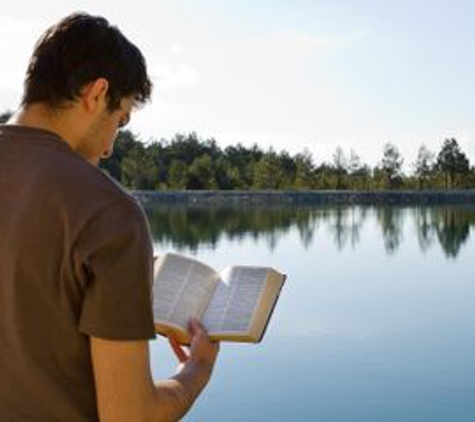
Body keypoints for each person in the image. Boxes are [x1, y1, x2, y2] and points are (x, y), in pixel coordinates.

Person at [0, 12, 219, 421]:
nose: (108, 150)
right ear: (97, 93)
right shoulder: (109, 213)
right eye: (120, 121)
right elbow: (129, 416)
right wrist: (197, 370)